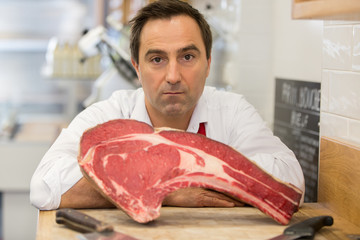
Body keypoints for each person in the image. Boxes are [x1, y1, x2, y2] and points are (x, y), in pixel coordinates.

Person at [30, 0, 305, 210]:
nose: (173, 76)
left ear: (208, 64)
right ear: (137, 68)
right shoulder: (110, 114)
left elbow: (290, 181)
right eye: (157, 60)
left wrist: (173, 177)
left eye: (187, 57)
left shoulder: (231, 111)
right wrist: (164, 190)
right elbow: (44, 187)